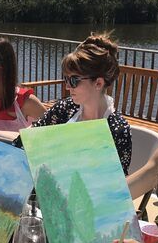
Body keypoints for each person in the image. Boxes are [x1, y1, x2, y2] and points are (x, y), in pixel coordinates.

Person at [25, 34, 132, 173]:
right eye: (66, 79)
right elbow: (28, 141)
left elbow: (115, 186)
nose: (67, 87)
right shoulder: (65, 108)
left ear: (98, 83)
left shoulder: (118, 130)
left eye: (74, 80)